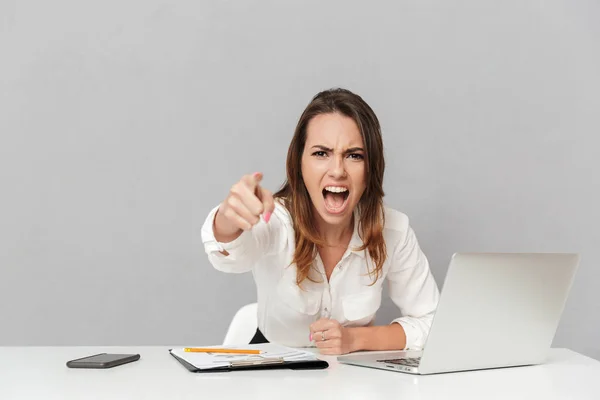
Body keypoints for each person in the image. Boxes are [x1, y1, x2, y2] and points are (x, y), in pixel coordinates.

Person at [201, 88, 440, 355]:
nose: (337, 171)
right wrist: (228, 219)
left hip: (352, 375)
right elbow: (228, 256)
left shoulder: (393, 230)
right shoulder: (275, 221)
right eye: (321, 153)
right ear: (299, 163)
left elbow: (433, 323)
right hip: (273, 372)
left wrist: (355, 339)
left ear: (371, 168)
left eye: (354, 155)